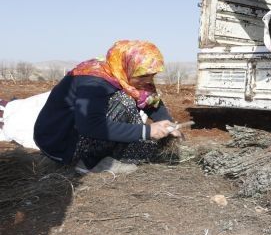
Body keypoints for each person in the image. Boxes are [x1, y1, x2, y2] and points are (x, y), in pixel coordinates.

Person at [33, 40, 182, 174]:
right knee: (124, 101)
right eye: (143, 76)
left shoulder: (122, 72)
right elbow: (90, 124)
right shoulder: (94, 81)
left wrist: (166, 122)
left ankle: (105, 154)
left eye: (152, 75)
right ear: (127, 66)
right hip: (60, 140)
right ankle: (88, 162)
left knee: (144, 149)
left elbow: (151, 100)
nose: (148, 80)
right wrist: (147, 131)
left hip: (81, 132)